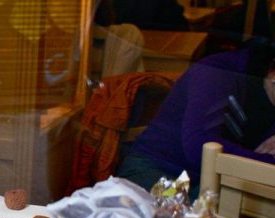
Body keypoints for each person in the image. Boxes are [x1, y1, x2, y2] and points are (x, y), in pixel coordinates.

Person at [116, 42, 275, 195]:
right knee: (217, 209)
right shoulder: (217, 73)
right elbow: (200, 148)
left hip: (211, 181)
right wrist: (265, 162)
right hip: (158, 171)